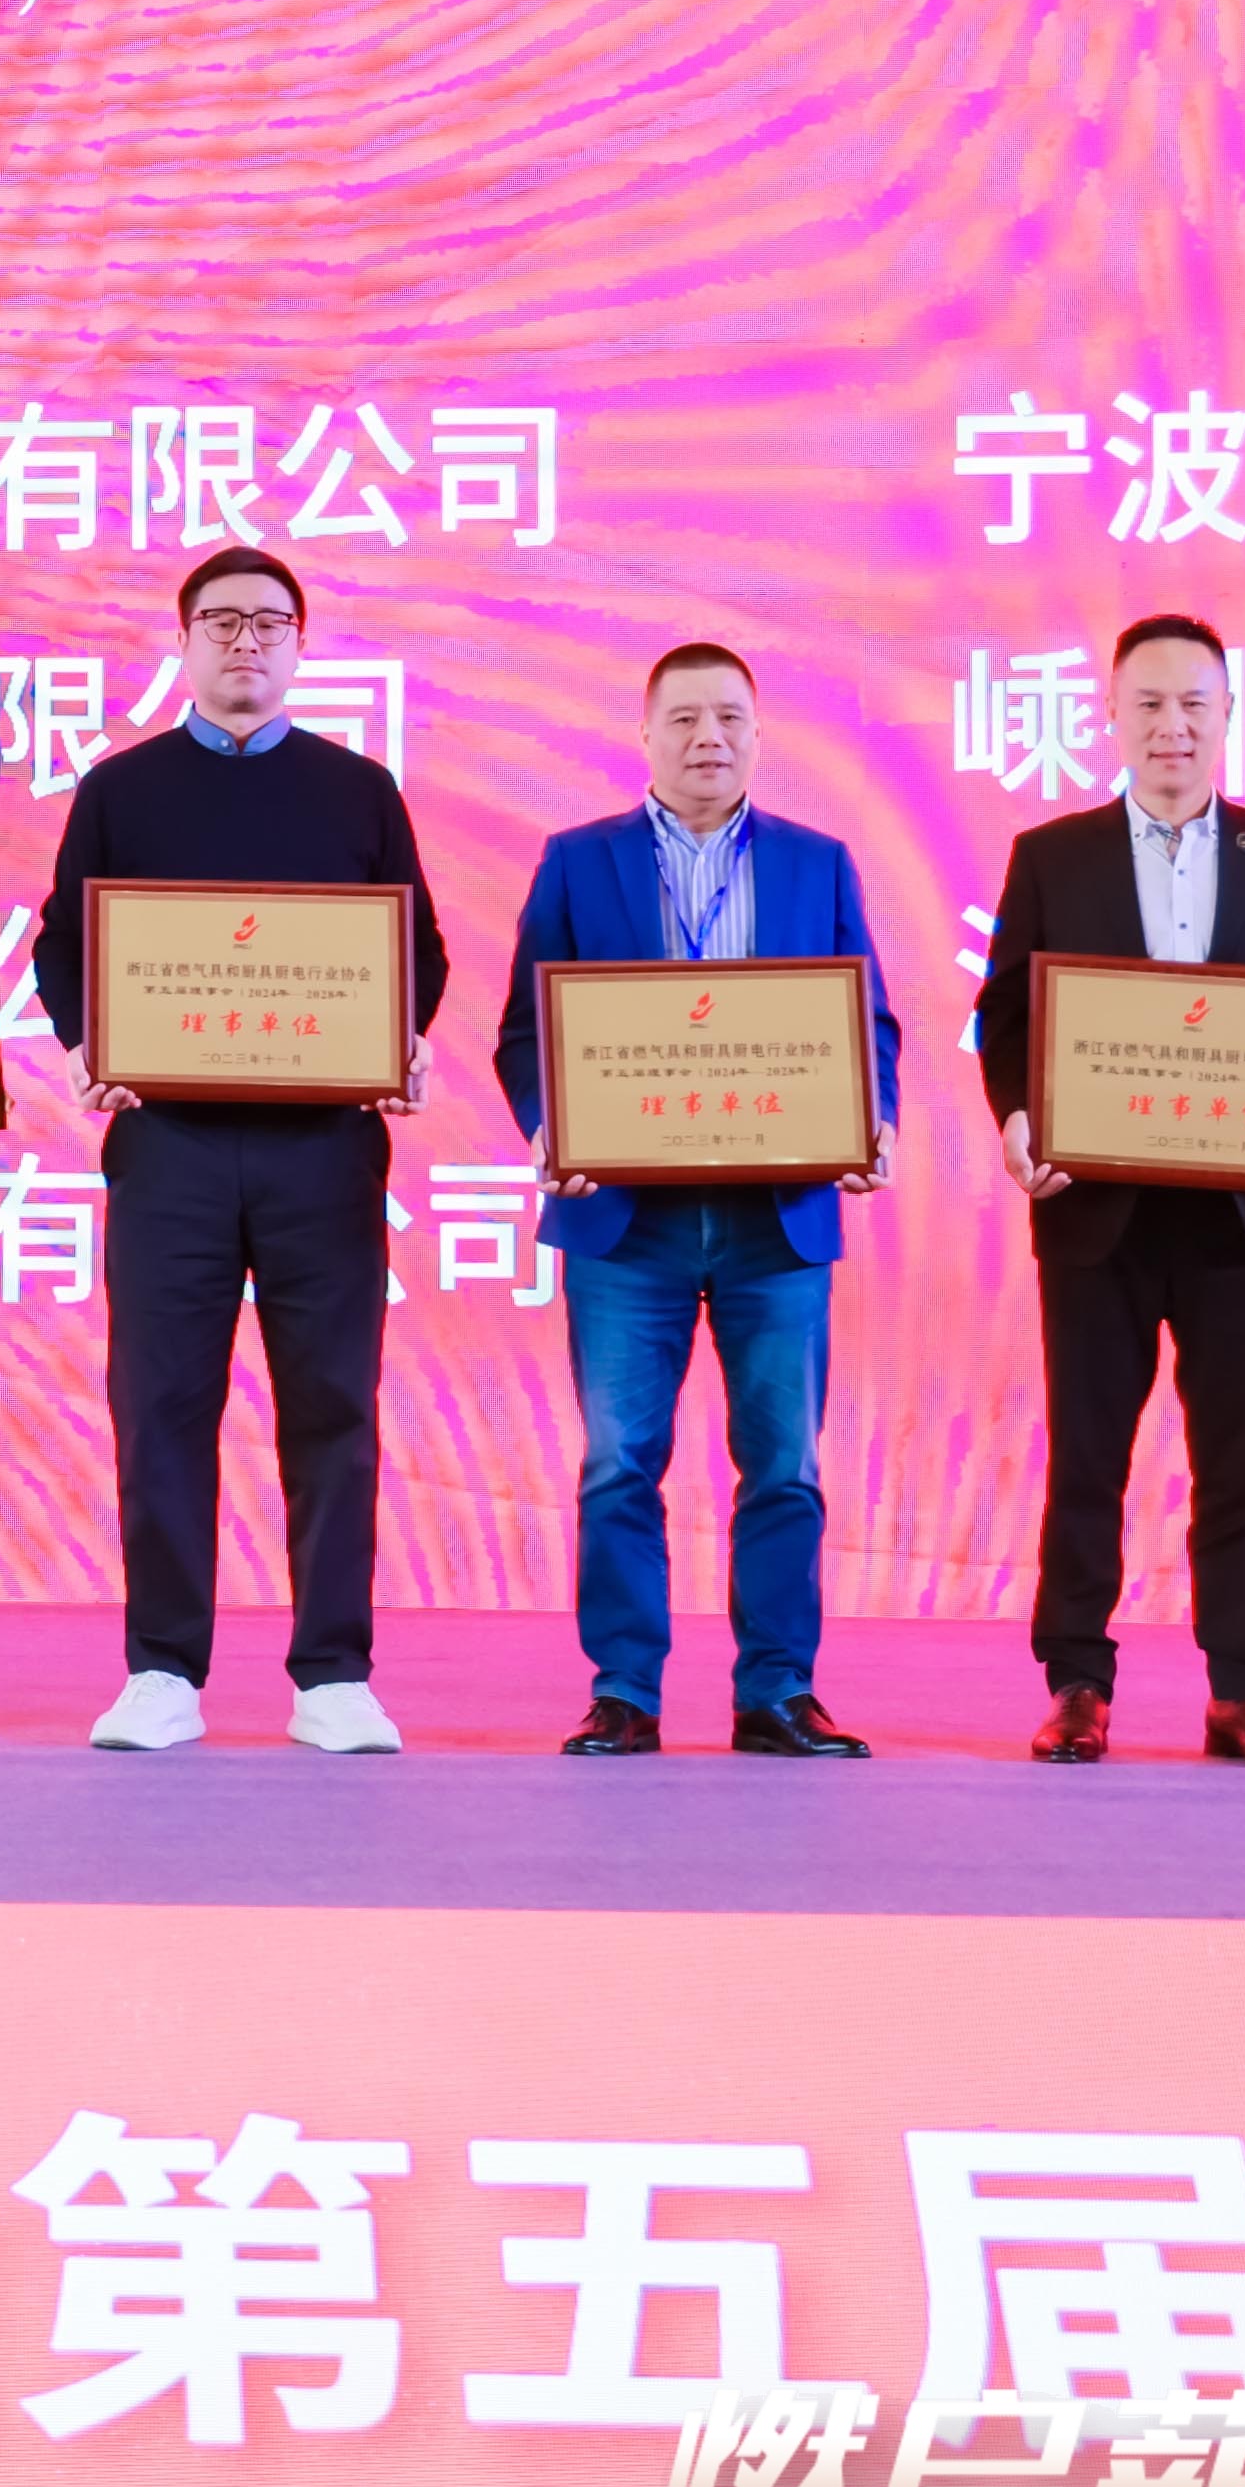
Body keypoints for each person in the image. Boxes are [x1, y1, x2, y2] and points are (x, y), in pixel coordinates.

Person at [33, 546, 450, 1757]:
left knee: (333, 1405)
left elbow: (417, 949)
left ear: (301, 646)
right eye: (220, 621)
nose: (245, 641)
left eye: (269, 622)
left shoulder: (358, 789)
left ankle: (334, 1674)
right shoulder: (121, 789)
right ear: (183, 643)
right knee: (162, 1403)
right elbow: (65, 944)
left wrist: (397, 1040)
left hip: (322, 1150)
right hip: (170, 1146)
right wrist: (89, 1044)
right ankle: (163, 1667)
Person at [969, 613, 1245, 1769]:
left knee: (1239, 1463)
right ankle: (1077, 1682)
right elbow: (1005, 1016)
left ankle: (1243, 1689)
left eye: (1195, 704)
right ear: (1110, 716)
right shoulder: (1054, 855)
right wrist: (1018, 1118)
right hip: (1095, 1208)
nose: (1172, 726)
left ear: (1228, 717)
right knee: (1087, 1457)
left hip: (1238, 1216)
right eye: (1148, 703)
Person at [489, 640, 896, 1763]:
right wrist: (550, 1127)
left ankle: (779, 1692)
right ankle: (624, 1692)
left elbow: (868, 1022)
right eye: (683, 719)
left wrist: (872, 1118)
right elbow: (527, 1031)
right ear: (645, 735)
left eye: (728, 718)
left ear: (759, 735)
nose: (707, 738)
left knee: (786, 1466)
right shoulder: (578, 862)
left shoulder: (819, 863)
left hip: (777, 1217)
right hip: (628, 1221)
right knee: (619, 1464)